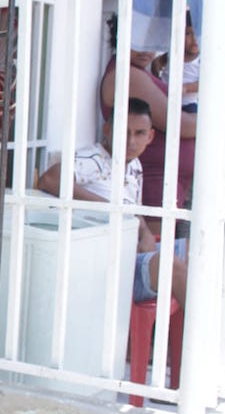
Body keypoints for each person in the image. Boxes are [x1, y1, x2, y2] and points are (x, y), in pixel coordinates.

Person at [36, 97, 188, 379]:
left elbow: (133, 208)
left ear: (150, 136)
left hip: (132, 254)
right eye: (123, 131)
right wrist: (111, 210)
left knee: (194, 252)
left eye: (139, 133)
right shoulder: (95, 159)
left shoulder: (135, 166)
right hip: (108, 268)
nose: (130, 141)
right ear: (107, 130)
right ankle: (197, 350)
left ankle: (186, 366)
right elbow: (49, 180)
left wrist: (143, 231)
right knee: (174, 265)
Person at [99, 14, 196, 234]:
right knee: (156, 257)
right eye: (137, 40)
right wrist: (217, 116)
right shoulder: (128, 75)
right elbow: (181, 125)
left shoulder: (140, 71)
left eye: (151, 40)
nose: (145, 49)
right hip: (155, 184)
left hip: (167, 184)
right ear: (119, 38)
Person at [151, 12, 201, 113]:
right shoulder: (174, 53)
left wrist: (186, 88)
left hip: (188, 103)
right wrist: (157, 74)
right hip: (165, 98)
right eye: (188, 34)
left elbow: (203, 83)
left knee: (193, 119)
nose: (194, 39)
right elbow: (158, 62)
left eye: (198, 33)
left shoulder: (201, 59)